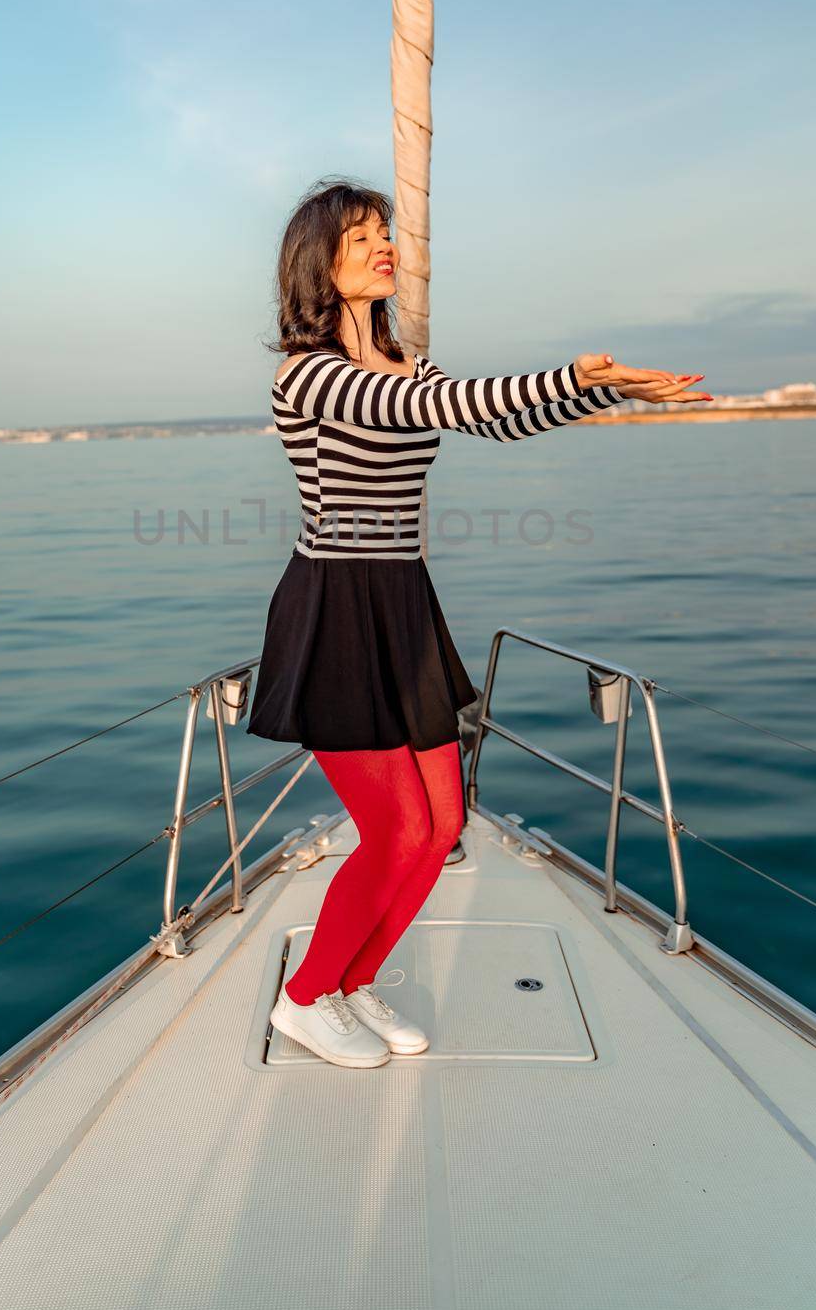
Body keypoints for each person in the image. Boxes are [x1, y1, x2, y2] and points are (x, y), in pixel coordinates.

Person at [248, 177, 710, 1068]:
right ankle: (303, 998)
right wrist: (575, 369)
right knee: (389, 831)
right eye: (359, 237)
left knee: (439, 822)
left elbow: (496, 421)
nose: (383, 245)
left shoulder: (403, 362)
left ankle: (349, 982)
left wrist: (608, 393)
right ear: (319, 263)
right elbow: (442, 409)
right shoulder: (305, 374)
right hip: (337, 608)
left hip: (405, 603)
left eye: (384, 231)